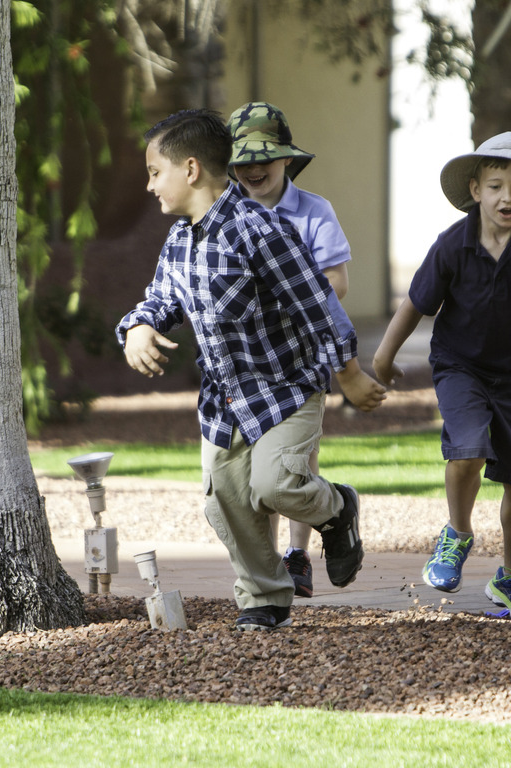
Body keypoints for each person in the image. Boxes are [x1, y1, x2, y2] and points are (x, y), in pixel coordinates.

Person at [116, 109, 386, 631]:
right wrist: (139, 327)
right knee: (226, 500)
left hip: (287, 387)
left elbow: (317, 303)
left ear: (190, 169)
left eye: (155, 172)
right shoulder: (179, 240)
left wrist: (349, 373)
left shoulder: (259, 229)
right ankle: (265, 597)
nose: (149, 185)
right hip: (225, 401)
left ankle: (337, 510)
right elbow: (161, 298)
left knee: (275, 485)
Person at [372, 131, 511, 621]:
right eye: (495, 186)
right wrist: (383, 356)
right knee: (467, 447)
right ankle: (457, 534)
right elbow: (416, 304)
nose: (507, 197)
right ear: (475, 190)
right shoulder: (454, 243)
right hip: (459, 366)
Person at [226, 101, 356, 599]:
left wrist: (285, 298)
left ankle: (297, 553)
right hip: (245, 363)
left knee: (295, 461)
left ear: (286, 159)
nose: (254, 169)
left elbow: (337, 281)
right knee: (253, 470)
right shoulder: (224, 214)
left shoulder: (314, 211)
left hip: (301, 358)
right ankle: (267, 563)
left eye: (265, 157)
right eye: (243, 160)